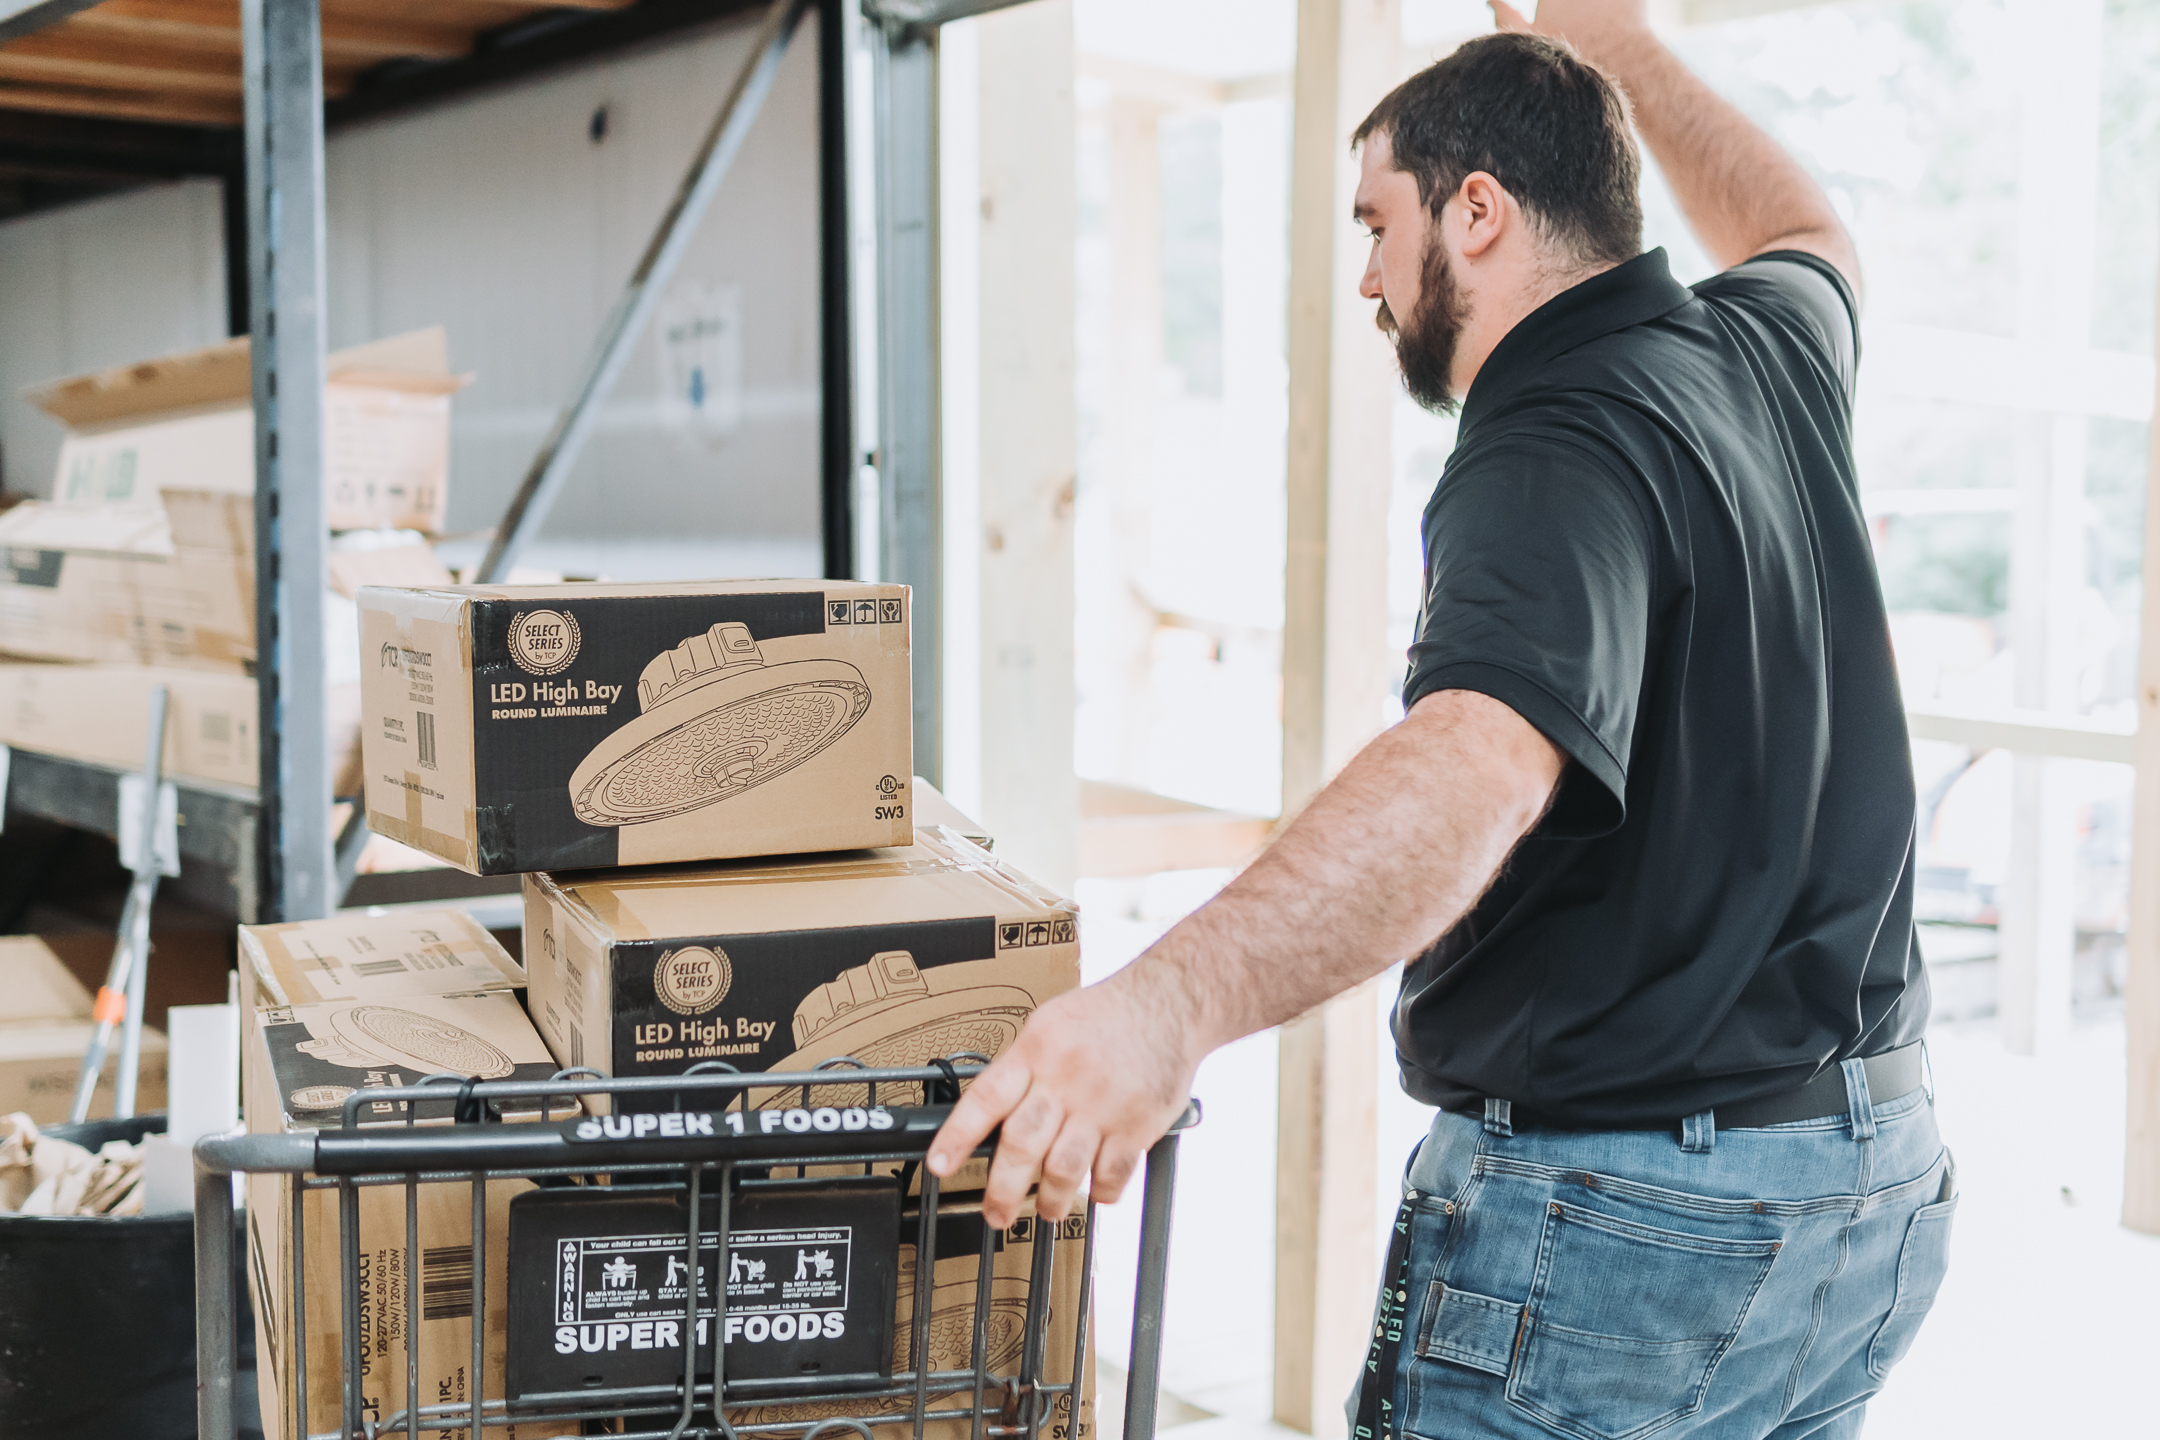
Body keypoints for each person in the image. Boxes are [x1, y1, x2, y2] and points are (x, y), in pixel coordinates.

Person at [930, 0, 1954, 1434]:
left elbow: (1480, 761)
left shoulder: (1550, 436)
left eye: (1375, 224)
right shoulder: (1765, 351)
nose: (1366, 277)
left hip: (1628, 1230)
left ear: (1476, 212)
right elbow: (1809, 228)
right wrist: (1620, 41)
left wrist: (1168, 1005)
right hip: (1869, 1190)